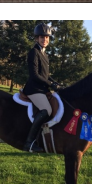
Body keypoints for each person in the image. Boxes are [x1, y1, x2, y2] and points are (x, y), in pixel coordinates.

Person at [22, 23, 61, 153]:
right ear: (36, 38)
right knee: (46, 110)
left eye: (47, 37)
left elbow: (46, 75)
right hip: (34, 89)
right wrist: (50, 85)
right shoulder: (34, 52)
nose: (44, 40)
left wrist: (56, 83)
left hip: (42, 88)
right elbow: (35, 75)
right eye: (41, 37)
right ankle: (29, 143)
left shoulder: (44, 54)